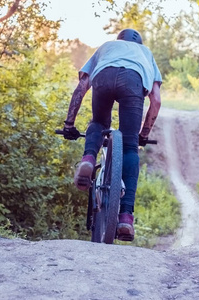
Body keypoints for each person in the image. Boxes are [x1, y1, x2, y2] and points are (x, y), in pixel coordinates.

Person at [62, 28, 162, 241]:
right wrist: (143, 134)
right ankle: (125, 216)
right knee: (129, 145)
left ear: (119, 40)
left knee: (98, 122)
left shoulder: (106, 47)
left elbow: (82, 87)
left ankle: (88, 159)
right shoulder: (146, 53)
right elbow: (156, 99)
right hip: (133, 81)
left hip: (103, 77)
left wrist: (69, 124)